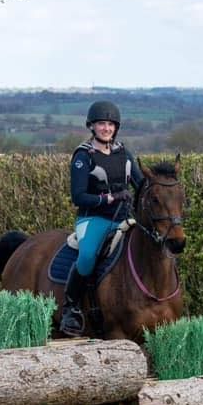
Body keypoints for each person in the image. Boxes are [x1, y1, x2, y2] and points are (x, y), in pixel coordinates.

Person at [60, 100, 145, 336]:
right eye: (101, 124)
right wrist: (108, 199)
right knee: (87, 257)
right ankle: (71, 309)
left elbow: (141, 185)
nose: (106, 128)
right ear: (92, 126)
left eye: (110, 124)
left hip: (124, 219)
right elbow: (78, 196)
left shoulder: (125, 153)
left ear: (115, 127)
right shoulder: (83, 155)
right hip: (93, 219)